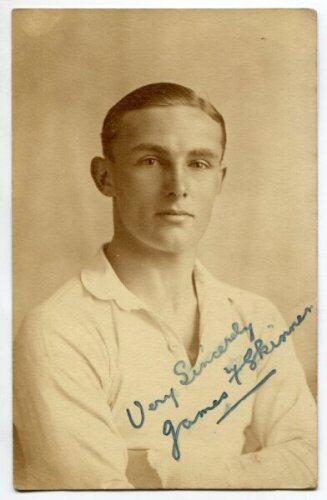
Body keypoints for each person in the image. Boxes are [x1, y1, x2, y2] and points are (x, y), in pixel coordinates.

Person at [14, 82, 316, 490]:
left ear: (219, 181)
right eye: (151, 161)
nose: (178, 186)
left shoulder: (255, 317)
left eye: (199, 163)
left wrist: (157, 470)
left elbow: (311, 463)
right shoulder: (59, 329)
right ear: (105, 177)